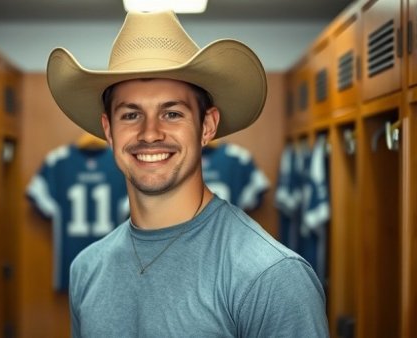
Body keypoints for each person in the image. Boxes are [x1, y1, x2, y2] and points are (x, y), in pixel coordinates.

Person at [46, 10, 329, 337]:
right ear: (108, 130)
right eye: (131, 114)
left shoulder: (270, 276)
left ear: (207, 126)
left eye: (171, 113)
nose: (150, 133)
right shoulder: (87, 269)